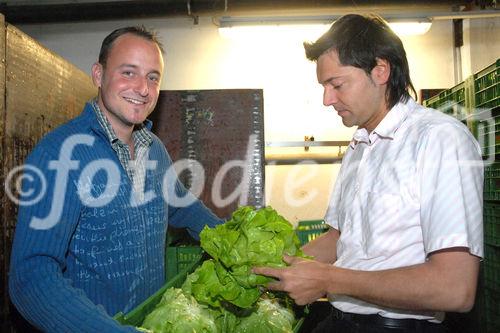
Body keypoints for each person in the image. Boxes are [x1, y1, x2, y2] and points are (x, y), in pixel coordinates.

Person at [254, 13, 483, 333]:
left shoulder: (439, 139)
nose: (327, 99)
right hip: (342, 321)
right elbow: (339, 239)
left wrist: (328, 278)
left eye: (337, 84)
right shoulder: (359, 146)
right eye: (324, 86)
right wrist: (267, 269)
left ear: (380, 70)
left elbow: (456, 288)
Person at [9, 26, 223, 332]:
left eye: (153, 77)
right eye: (128, 72)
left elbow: (183, 207)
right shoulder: (60, 154)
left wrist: (237, 241)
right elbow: (31, 276)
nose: (143, 88)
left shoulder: (155, 150)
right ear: (98, 75)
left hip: (152, 322)